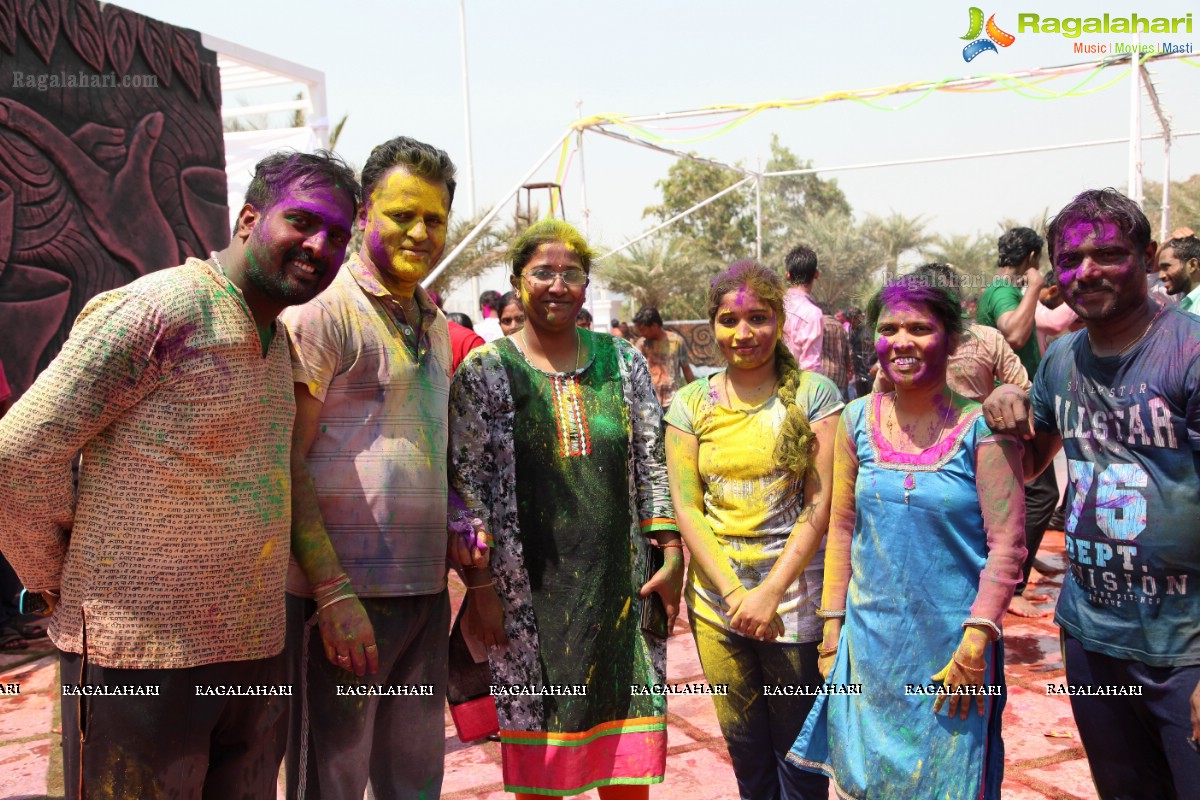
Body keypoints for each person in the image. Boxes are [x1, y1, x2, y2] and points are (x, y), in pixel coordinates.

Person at [0, 150, 360, 799]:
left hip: (253, 653)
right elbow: (18, 455)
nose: (319, 246)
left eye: (338, 236)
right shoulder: (155, 310)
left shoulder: (279, 341)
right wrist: (52, 578)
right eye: (303, 221)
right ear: (250, 218)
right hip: (137, 661)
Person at [449, 219, 683, 798]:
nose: (557, 285)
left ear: (586, 285)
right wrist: (480, 590)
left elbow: (651, 460)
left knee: (623, 756)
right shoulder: (486, 371)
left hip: (620, 590)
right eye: (542, 273)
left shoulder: (622, 362)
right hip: (523, 601)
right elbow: (467, 489)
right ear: (516, 282)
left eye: (570, 274)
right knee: (541, 765)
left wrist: (671, 554)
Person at [984, 189, 1200, 799]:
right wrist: (1001, 414)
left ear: (1150, 257)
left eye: (1108, 253)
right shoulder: (1063, 361)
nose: (1088, 271)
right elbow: (1028, 466)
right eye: (1071, 259)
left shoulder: (1190, 352)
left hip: (1186, 649)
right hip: (1092, 637)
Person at [789, 275, 1026, 799]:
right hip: (871, 649)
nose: (901, 341)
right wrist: (832, 631)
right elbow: (843, 527)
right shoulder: (856, 419)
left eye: (920, 328)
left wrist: (976, 642)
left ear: (953, 339)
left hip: (953, 656)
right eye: (888, 327)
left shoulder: (982, 429)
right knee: (868, 782)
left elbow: (1007, 545)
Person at [281, 136, 457, 799]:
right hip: (339, 608)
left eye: (434, 219)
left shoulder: (432, 319)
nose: (419, 232)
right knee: (329, 785)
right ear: (362, 215)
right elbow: (286, 460)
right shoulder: (323, 312)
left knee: (413, 784)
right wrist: (330, 592)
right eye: (401, 214)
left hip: (422, 599)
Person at [665, 261, 840, 800]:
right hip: (718, 607)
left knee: (801, 759)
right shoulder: (692, 403)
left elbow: (820, 505)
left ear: (781, 320)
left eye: (758, 318)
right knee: (747, 756)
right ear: (711, 326)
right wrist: (737, 593)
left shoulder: (815, 395)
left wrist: (767, 593)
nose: (743, 334)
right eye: (728, 320)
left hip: (793, 608)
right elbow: (687, 509)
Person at [977, 228, 1058, 618]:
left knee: (1030, 494)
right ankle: (1015, 584)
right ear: (1030, 256)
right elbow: (1013, 331)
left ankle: (1020, 567)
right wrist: (1035, 286)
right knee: (1040, 493)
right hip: (1010, 410)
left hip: (1016, 405)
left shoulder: (1001, 289)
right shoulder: (1003, 290)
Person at [875, 264, 1030, 404]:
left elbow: (1024, 390)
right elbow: (877, 402)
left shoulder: (988, 338)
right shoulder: (900, 351)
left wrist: (1006, 395)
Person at [633, 305, 695, 414]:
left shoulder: (676, 342)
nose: (641, 333)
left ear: (654, 325)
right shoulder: (642, 345)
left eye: (643, 329)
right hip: (649, 403)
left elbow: (686, 369)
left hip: (673, 402)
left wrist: (697, 393)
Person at [781, 245, 824, 373]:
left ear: (787, 275)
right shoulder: (813, 313)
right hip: (795, 386)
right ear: (816, 274)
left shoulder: (773, 304)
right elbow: (811, 367)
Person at [1157, 227, 1200, 312]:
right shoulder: (1182, 299)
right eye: (1160, 269)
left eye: (1166, 267)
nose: (1160, 276)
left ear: (1192, 265)